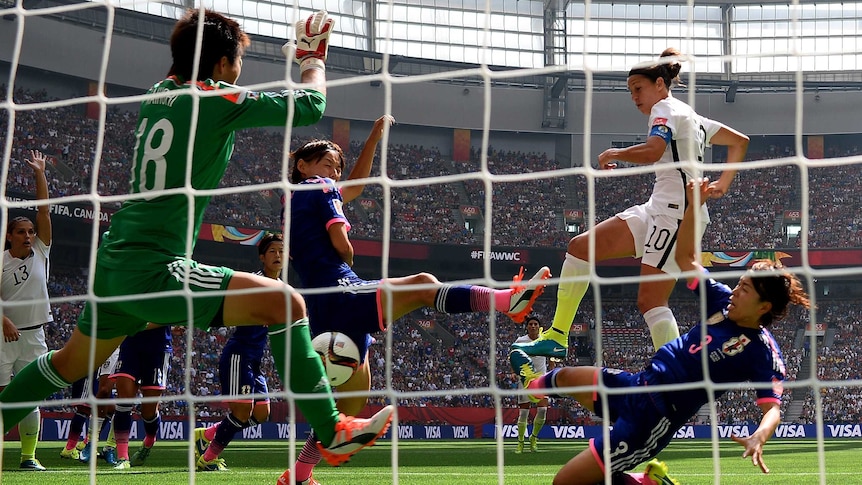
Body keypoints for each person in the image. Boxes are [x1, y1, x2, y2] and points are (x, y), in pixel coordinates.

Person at [0, 9, 394, 473]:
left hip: (115, 259)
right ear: (224, 65)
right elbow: (311, 105)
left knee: (67, 363)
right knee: (286, 304)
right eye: (238, 62)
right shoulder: (215, 98)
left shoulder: (158, 94)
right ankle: (333, 430)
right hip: (153, 265)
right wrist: (312, 58)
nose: (238, 71)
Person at [279, 137, 551, 485]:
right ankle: (505, 302)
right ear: (304, 166)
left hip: (321, 305)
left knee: (342, 413)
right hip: (340, 289)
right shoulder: (320, 187)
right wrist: (346, 252)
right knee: (423, 284)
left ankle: (297, 476)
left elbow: (354, 188)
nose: (334, 172)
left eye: (337, 168)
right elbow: (339, 238)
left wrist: (374, 135)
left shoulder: (291, 198)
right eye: (327, 163)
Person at [509, 178, 811, 485]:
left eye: (744, 289)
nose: (735, 291)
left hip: (653, 418)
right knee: (563, 377)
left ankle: (647, 483)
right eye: (739, 283)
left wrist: (760, 436)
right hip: (637, 386)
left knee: (565, 483)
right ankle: (530, 389)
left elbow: (773, 407)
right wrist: (694, 206)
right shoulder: (720, 299)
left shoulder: (762, 351)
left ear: (763, 306)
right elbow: (686, 259)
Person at [515, 47, 750, 359]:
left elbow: (654, 150)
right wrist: (723, 182)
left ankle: (676, 376)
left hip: (677, 216)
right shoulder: (693, 116)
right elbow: (739, 141)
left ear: (659, 85)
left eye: (638, 89)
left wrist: (615, 153)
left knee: (651, 301)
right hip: (657, 208)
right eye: (630, 92)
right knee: (580, 247)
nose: (635, 97)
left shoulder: (664, 110)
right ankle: (558, 335)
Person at [0, 149, 53, 471]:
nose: (28, 236)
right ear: (9, 236)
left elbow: (44, 213)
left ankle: (28, 457)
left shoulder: (40, 252)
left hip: (34, 335)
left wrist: (39, 174)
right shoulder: (1, 261)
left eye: (31, 232)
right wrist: (3, 319)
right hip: (2, 337)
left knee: (31, 397)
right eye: (21, 232)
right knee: (4, 397)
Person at [109, 326, 172, 469]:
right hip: (130, 342)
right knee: (123, 399)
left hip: (158, 346)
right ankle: (122, 458)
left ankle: (149, 441)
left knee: (148, 411)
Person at [59, 348, 118, 464]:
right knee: (84, 408)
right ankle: (69, 448)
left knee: (110, 409)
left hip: (103, 364)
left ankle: (86, 443)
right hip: (91, 364)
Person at [512, 315, 554, 454]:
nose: (533, 326)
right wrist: (515, 371)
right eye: (531, 324)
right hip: (525, 380)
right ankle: (520, 442)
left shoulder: (544, 340)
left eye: (535, 324)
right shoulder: (521, 341)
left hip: (542, 379)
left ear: (539, 326)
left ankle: (533, 438)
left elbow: (552, 357)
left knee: (542, 410)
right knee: (524, 413)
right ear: (527, 326)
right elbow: (514, 357)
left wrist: (552, 373)